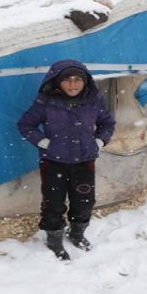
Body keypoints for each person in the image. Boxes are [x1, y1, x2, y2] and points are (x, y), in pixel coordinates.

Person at [16, 59, 115, 261]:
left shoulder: (94, 100)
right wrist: (44, 143)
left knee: (85, 201)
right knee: (53, 203)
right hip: (53, 162)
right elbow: (26, 125)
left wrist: (99, 142)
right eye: (67, 80)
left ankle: (77, 234)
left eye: (77, 79)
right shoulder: (46, 102)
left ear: (85, 81)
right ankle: (54, 239)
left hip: (84, 161)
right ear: (57, 82)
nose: (72, 85)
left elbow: (107, 122)